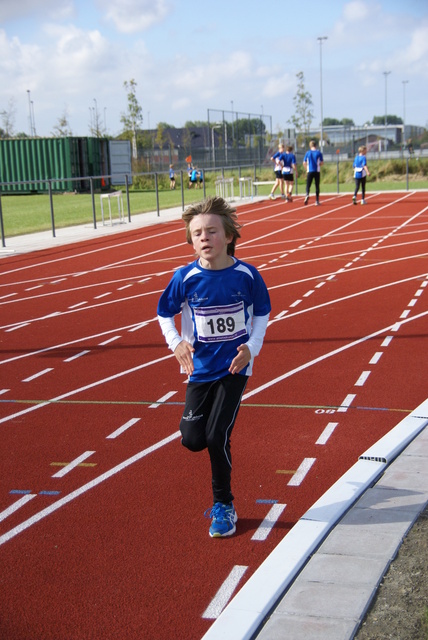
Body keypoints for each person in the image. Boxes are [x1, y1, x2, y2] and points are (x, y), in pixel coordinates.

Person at [157, 196, 271, 538]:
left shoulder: (247, 275)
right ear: (190, 241)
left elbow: (262, 315)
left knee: (216, 434)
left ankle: (224, 505)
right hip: (199, 370)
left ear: (230, 236)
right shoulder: (185, 277)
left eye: (211, 231)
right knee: (192, 440)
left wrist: (251, 348)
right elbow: (164, 313)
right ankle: (220, 488)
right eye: (197, 234)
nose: (204, 238)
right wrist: (176, 342)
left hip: (234, 369)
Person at [303, 140, 323, 206]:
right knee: (317, 186)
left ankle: (307, 194)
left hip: (310, 171)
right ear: (316, 145)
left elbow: (304, 162)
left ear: (310, 146)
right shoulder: (318, 152)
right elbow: (321, 162)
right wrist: (319, 165)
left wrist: (306, 169)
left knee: (308, 185)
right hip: (317, 171)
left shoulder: (308, 153)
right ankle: (317, 201)